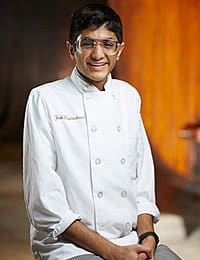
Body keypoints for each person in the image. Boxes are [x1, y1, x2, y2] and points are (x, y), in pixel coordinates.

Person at [23, 3, 182, 260]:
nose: (98, 54)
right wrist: (112, 253)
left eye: (107, 44)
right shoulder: (44, 99)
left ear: (119, 50)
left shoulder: (128, 96)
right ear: (71, 49)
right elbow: (45, 204)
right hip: (67, 244)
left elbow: (141, 182)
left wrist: (148, 238)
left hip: (129, 239)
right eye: (87, 43)